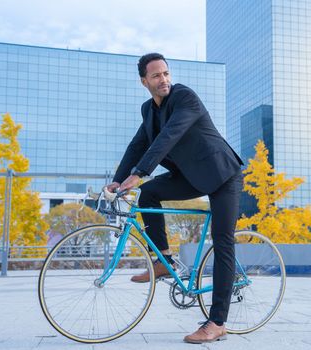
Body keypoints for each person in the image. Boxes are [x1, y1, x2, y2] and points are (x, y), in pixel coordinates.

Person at [106, 53, 243, 344]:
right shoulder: (149, 110)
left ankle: (217, 322)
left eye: (166, 73)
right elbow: (137, 145)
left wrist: (140, 172)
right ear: (144, 81)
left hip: (222, 174)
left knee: (222, 242)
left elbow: (168, 136)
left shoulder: (184, 97)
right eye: (156, 76)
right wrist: (119, 179)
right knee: (150, 192)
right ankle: (162, 258)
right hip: (192, 177)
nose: (163, 79)